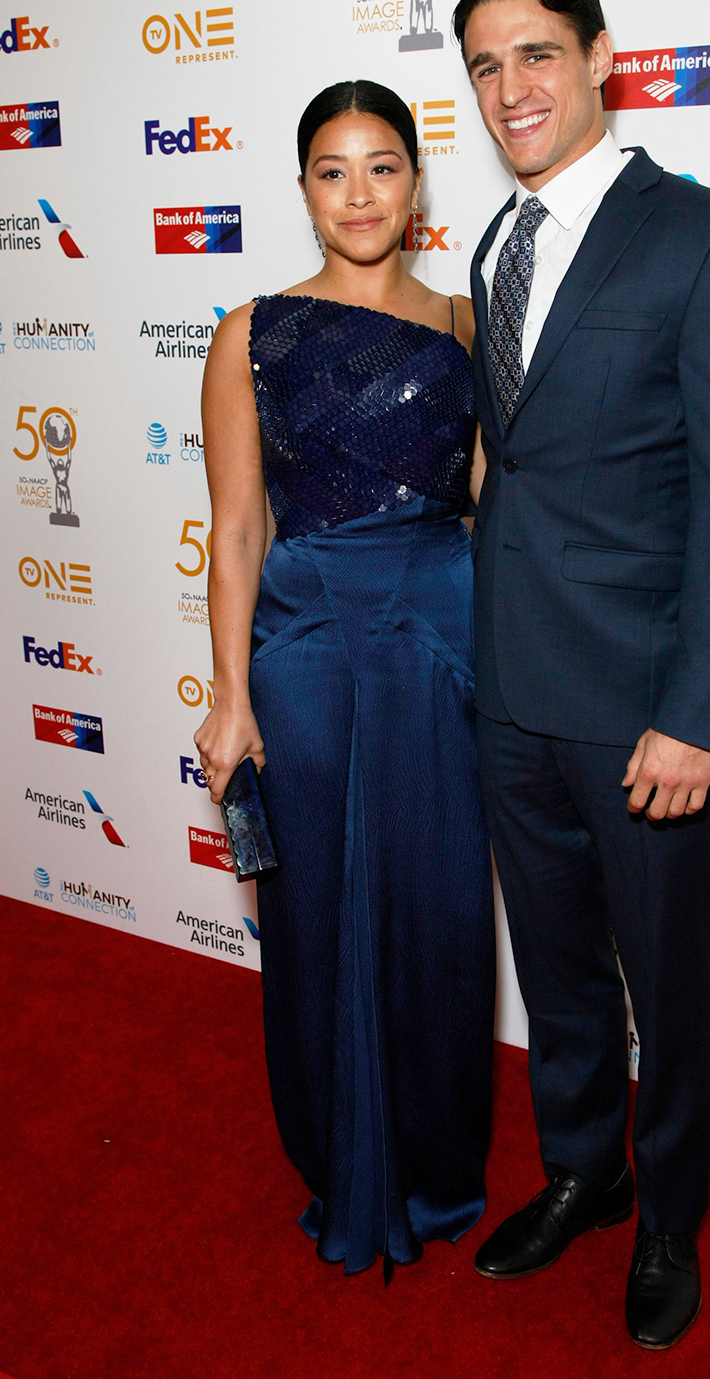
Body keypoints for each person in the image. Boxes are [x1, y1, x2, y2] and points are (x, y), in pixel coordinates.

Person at [453, 0, 710, 1349]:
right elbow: (516, 467)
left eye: (537, 54)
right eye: (484, 65)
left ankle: (668, 1217)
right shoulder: (494, 241)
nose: (511, 88)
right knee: (558, 966)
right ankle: (583, 1174)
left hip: (648, 709)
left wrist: (702, 713)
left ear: (602, 57)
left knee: (667, 973)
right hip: (511, 693)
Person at [193, 80, 495, 1279]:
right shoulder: (250, 330)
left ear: (416, 182)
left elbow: (491, 503)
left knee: (438, 913)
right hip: (306, 648)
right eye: (332, 169)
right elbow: (232, 532)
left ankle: (430, 1158)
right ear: (303, 186)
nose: (359, 192)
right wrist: (228, 695)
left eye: (382, 166)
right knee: (313, 912)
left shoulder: (470, 327)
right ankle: (338, 1157)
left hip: (439, 639)